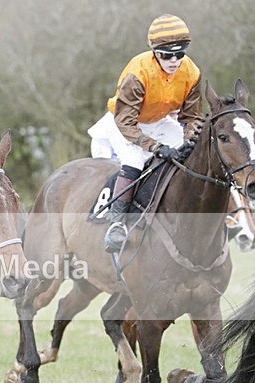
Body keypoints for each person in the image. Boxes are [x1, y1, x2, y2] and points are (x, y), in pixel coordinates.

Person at [87, 14, 203, 253]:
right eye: (166, 55)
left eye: (179, 54)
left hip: (158, 122)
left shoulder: (191, 72)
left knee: (193, 151)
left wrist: (191, 138)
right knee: (135, 160)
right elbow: (126, 122)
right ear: (154, 52)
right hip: (122, 123)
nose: (174, 60)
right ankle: (117, 224)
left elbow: (192, 117)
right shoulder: (138, 72)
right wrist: (155, 147)